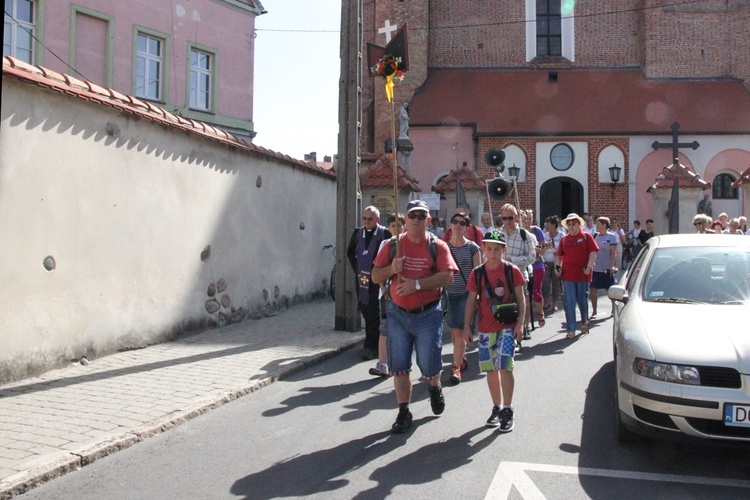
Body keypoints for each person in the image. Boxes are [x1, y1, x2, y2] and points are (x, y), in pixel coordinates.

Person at [372, 199, 458, 434]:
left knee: (429, 365)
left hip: (427, 314)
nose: (417, 220)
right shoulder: (391, 245)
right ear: (405, 220)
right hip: (397, 315)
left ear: (428, 220)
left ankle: (434, 385)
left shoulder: (437, 246)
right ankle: (403, 411)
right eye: (413, 216)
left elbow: (448, 276)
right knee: (399, 366)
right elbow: (374, 276)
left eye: (422, 216)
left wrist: (417, 285)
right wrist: (391, 269)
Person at [464, 231, 526, 432]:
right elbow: (471, 300)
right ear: (483, 248)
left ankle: (507, 409)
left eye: (497, 249)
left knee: (506, 366)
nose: (492, 253)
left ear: (503, 250)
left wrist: (520, 324)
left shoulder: (511, 270)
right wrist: (467, 327)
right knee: (490, 369)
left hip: (507, 325)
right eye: (489, 248)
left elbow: (521, 298)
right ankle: (497, 407)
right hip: (485, 327)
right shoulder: (478, 273)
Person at [346, 206, 392, 360]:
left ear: (377, 220)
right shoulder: (358, 233)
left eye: (370, 219)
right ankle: (372, 342)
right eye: (364, 218)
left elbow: (390, 253)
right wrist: (357, 269)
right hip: (362, 279)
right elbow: (350, 252)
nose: (366, 221)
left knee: (376, 312)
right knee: (365, 309)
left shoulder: (384, 233)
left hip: (378, 280)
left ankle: (371, 345)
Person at [445, 211, 482, 384]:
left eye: (462, 223)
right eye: (455, 222)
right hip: (447, 295)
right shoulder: (443, 247)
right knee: (454, 331)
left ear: (466, 228)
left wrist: (478, 296)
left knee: (459, 331)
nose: (458, 225)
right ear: (451, 225)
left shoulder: (473, 247)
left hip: (466, 296)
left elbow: (478, 274)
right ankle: (461, 357)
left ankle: (455, 367)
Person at [369, 212, 405, 378]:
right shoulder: (385, 243)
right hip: (386, 294)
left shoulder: (407, 243)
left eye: (398, 225)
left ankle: (400, 361)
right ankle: (382, 363)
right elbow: (378, 269)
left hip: (405, 294)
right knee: (384, 328)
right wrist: (384, 289)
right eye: (392, 225)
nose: (395, 228)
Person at [555, 213, 599, 339]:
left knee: (582, 300)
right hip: (567, 275)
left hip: (582, 274)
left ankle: (584, 321)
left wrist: (589, 266)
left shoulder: (586, 237)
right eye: (569, 224)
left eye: (573, 224)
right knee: (569, 301)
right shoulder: (564, 239)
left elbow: (593, 253)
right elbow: (559, 256)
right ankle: (571, 329)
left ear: (579, 225)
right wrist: (558, 267)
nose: (571, 226)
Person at [497, 204, 536, 345]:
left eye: (510, 218)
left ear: (517, 218)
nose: (507, 221)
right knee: (503, 306)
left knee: (520, 304)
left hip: (519, 276)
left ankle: (521, 330)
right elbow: (485, 256)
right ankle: (504, 334)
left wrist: (512, 260)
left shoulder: (525, 235)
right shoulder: (496, 234)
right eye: (504, 218)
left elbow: (532, 257)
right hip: (500, 277)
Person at [522, 210, 546, 327]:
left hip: (536, 264)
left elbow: (544, 246)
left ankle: (541, 313)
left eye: (530, 218)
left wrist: (539, 253)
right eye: (526, 219)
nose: (528, 221)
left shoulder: (536, 231)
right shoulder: (518, 232)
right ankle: (526, 319)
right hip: (524, 265)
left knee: (536, 290)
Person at [590, 217, 618, 318]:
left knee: (609, 289)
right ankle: (594, 311)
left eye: (598, 224)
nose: (596, 226)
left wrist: (611, 266)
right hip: (595, 267)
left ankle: (614, 308)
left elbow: (613, 253)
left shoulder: (611, 237)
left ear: (604, 225)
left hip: (606, 267)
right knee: (593, 288)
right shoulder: (595, 236)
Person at [542, 215, 563, 312]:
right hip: (546, 261)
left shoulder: (562, 235)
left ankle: (555, 302)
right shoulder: (544, 235)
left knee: (556, 283)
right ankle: (547, 301)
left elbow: (564, 248)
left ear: (554, 225)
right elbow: (540, 246)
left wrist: (558, 252)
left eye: (549, 224)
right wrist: (549, 246)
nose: (547, 226)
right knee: (545, 282)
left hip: (557, 262)